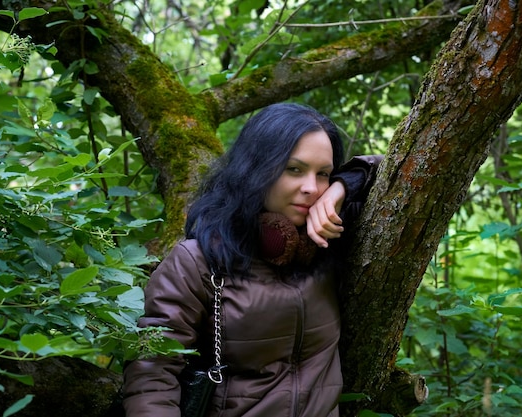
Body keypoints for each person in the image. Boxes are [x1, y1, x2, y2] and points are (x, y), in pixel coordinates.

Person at [122, 103, 382, 417]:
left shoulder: (329, 241)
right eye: (294, 169)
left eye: (323, 174)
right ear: (257, 168)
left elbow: (394, 168)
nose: (311, 188)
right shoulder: (199, 261)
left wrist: (339, 188)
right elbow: (152, 377)